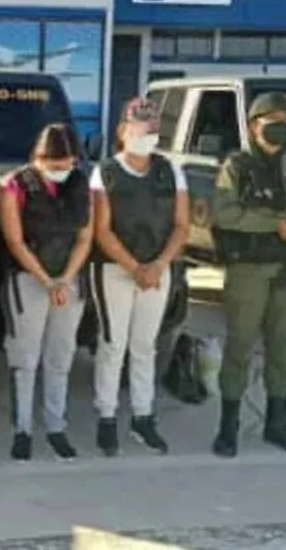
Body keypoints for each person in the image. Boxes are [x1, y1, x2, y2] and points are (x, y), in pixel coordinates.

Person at [210, 91, 286, 459]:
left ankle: (277, 424)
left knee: (283, 350)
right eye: (272, 121)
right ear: (253, 126)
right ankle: (228, 427)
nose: (280, 127)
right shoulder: (237, 166)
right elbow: (225, 214)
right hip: (249, 268)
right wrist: (276, 225)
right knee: (239, 346)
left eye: (285, 122)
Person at [89, 96, 190, 457]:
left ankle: (143, 417)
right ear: (122, 131)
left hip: (157, 270)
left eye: (152, 129)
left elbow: (181, 225)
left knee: (145, 346)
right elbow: (101, 230)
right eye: (139, 128)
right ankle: (106, 417)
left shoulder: (170, 170)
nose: (147, 135)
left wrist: (159, 265)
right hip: (114, 269)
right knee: (112, 345)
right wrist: (136, 268)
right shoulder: (105, 172)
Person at [0, 123, 93, 461]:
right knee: (24, 359)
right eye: (54, 165)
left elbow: (84, 238)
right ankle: (22, 429)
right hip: (28, 279)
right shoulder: (15, 184)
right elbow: (15, 241)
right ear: (38, 159)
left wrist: (64, 279)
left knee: (61, 356)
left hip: (69, 281)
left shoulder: (81, 183)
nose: (62, 170)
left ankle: (56, 427)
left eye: (67, 164)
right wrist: (46, 280)